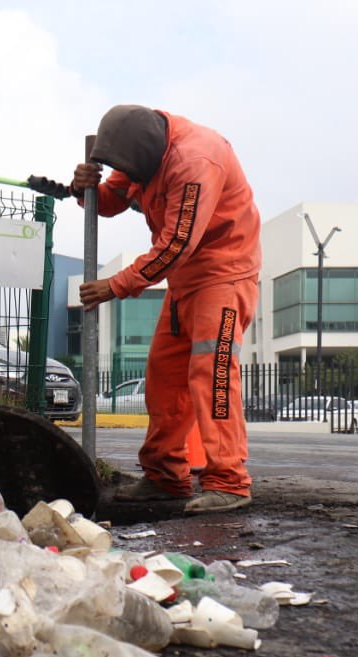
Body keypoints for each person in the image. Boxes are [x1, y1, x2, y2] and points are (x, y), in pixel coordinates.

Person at [71, 105, 261, 513]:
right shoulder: (140, 151)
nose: (132, 179)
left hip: (223, 276)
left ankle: (229, 481)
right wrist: (84, 189)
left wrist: (115, 285)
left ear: (150, 155)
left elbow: (177, 244)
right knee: (164, 377)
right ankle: (166, 476)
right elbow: (111, 200)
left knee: (212, 374)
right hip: (184, 281)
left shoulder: (195, 161)